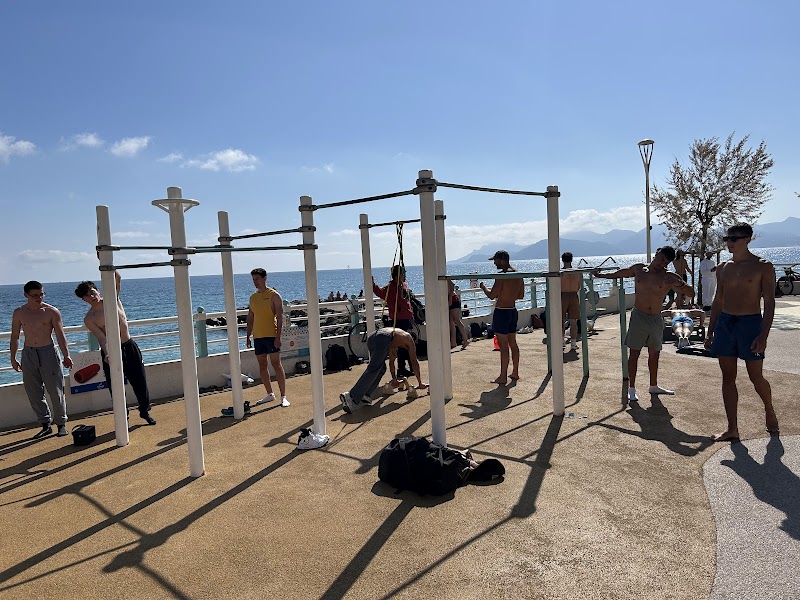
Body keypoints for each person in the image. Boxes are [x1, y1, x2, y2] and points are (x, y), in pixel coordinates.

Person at [704, 223, 779, 442]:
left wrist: (763, 336)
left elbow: (769, 302)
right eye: (726, 238)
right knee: (728, 377)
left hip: (750, 323)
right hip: (726, 323)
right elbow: (718, 300)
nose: (728, 242)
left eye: (733, 238)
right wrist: (710, 332)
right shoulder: (723, 267)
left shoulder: (762, 266)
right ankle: (732, 428)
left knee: (756, 377)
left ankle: (769, 408)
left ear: (747, 239)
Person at [593, 246, 694, 402]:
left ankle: (653, 386)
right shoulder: (639, 269)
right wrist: (601, 275)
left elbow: (691, 293)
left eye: (666, 262)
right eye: (661, 258)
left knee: (654, 354)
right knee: (634, 353)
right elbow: (621, 273)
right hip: (639, 316)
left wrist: (680, 284)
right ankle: (631, 388)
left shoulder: (668, 276)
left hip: (655, 318)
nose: (662, 263)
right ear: (657, 253)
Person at [75, 272, 156, 425]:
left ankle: (144, 411)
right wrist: (107, 353)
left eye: (92, 292)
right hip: (111, 351)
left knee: (140, 381)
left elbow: (117, 279)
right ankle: (122, 415)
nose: (91, 296)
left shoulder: (113, 300)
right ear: (84, 299)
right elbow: (101, 337)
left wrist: (106, 261)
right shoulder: (89, 318)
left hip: (129, 346)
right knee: (115, 385)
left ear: (97, 290)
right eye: (87, 295)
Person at [10, 281, 73, 438]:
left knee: (55, 390)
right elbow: (15, 336)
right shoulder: (19, 312)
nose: (39, 298)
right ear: (26, 295)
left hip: (48, 352)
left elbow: (60, 335)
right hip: (29, 353)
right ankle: (45, 424)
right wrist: (13, 357)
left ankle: (61, 424)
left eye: (41, 294)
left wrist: (66, 355)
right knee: (33, 391)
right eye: (35, 295)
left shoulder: (51, 311)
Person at [339, 327, 427, 413]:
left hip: (372, 338)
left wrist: (394, 379)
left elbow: (391, 362)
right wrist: (420, 383)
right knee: (374, 368)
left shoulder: (395, 341)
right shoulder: (410, 340)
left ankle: (365, 395)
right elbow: (414, 361)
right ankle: (351, 396)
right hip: (383, 338)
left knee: (381, 368)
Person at [246, 268, 289, 407]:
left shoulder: (274, 295)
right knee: (262, 365)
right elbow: (250, 317)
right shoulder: (253, 297)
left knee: (276, 364)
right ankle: (270, 394)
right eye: (253, 280)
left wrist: (278, 337)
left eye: (257, 279)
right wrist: (248, 336)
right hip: (258, 336)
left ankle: (283, 396)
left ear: (265, 278)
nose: (255, 282)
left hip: (271, 335)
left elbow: (280, 317)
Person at [481, 250, 524, 384]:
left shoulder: (502, 276)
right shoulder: (518, 275)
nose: (494, 263)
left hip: (501, 312)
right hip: (512, 311)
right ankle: (515, 372)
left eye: (496, 260)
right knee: (513, 343)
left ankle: (502, 376)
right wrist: (507, 295)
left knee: (503, 346)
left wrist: (483, 287)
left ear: (503, 260)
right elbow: (520, 295)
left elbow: (491, 295)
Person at [373, 265, 415, 377]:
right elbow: (380, 292)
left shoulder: (403, 285)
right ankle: (401, 369)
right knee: (402, 345)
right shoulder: (391, 287)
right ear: (398, 275)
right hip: (399, 319)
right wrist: (372, 284)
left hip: (407, 318)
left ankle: (409, 367)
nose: (405, 275)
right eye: (403, 273)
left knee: (409, 344)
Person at [560, 252, 582, 351]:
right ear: (571, 259)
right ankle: (573, 343)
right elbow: (579, 285)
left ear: (562, 260)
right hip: (573, 294)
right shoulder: (576, 272)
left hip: (562, 295)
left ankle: (562, 341)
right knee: (573, 321)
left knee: (560, 320)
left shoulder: (560, 272)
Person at [448, 279, 469, 350]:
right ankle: (453, 342)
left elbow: (452, 284)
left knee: (457, 320)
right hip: (449, 299)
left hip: (453, 299)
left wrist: (450, 295)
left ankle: (465, 340)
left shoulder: (447, 279)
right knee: (451, 322)